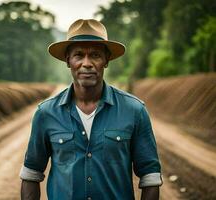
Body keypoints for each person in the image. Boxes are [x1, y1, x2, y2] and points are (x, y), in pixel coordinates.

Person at [20, 19, 163, 200]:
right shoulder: (46, 113)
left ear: (106, 60)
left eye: (95, 55)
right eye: (78, 55)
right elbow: (31, 174)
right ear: (68, 61)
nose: (86, 63)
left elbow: (150, 177)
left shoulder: (134, 110)